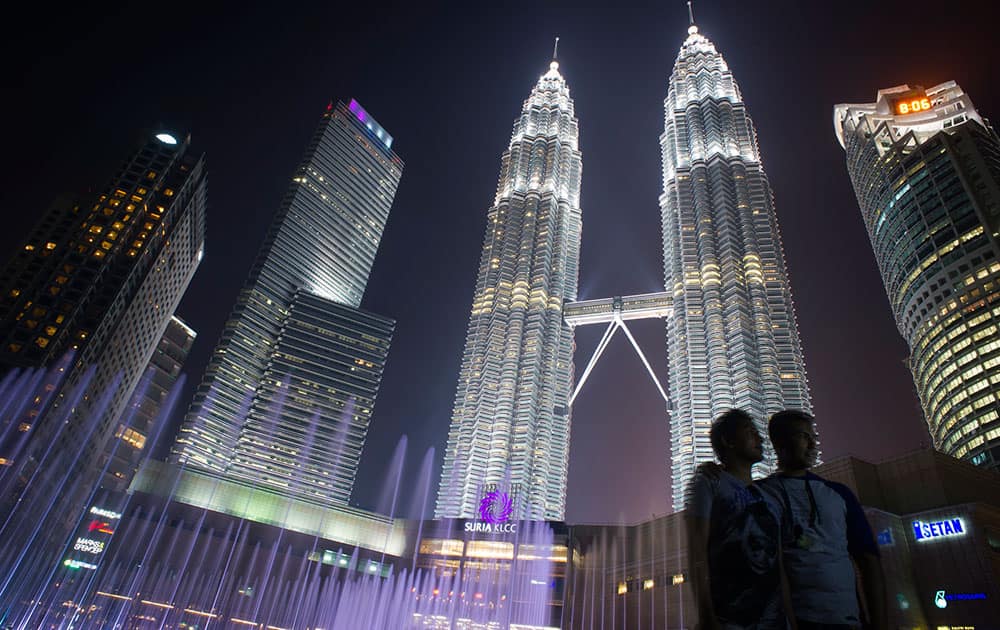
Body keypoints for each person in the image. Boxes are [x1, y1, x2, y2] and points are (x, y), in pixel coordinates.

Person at [757, 410, 888, 630]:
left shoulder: (839, 494)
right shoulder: (762, 494)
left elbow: (868, 561)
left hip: (847, 621)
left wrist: (879, 624)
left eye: (813, 437)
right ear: (780, 442)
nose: (812, 444)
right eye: (803, 436)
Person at [686, 409, 793, 630]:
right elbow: (696, 552)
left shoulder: (770, 497)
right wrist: (707, 618)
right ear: (728, 441)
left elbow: (779, 564)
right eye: (750, 431)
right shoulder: (708, 483)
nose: (760, 438)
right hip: (730, 621)